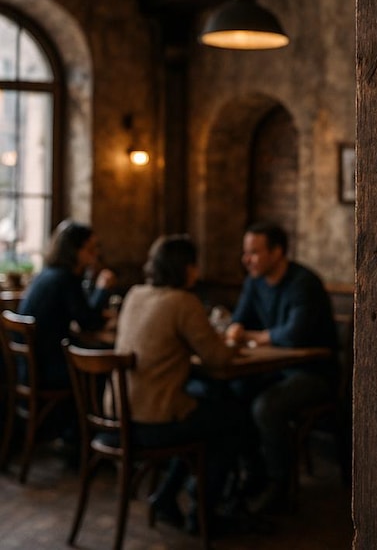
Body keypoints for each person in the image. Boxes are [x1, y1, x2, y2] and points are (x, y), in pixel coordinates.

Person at [113, 234, 249, 536]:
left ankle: (165, 496)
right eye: (194, 265)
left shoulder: (136, 293)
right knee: (232, 422)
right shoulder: (183, 301)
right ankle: (204, 514)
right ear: (184, 268)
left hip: (119, 417)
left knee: (207, 411)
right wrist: (232, 342)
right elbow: (216, 359)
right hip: (153, 422)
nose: (197, 272)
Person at [225, 222, 338, 513]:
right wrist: (236, 327)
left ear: (277, 252)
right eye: (245, 253)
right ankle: (254, 473)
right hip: (275, 370)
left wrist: (250, 335)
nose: (246, 259)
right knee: (234, 392)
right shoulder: (254, 281)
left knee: (267, 407)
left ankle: (279, 487)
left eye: (254, 252)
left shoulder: (304, 283)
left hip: (315, 373)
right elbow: (238, 319)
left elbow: (294, 335)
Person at [19, 219, 116, 391]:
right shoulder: (65, 278)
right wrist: (102, 289)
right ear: (75, 251)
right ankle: (87, 418)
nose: (96, 254)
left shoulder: (47, 273)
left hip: (28, 368)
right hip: (48, 370)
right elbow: (88, 323)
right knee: (107, 371)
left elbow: (82, 315)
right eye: (90, 249)